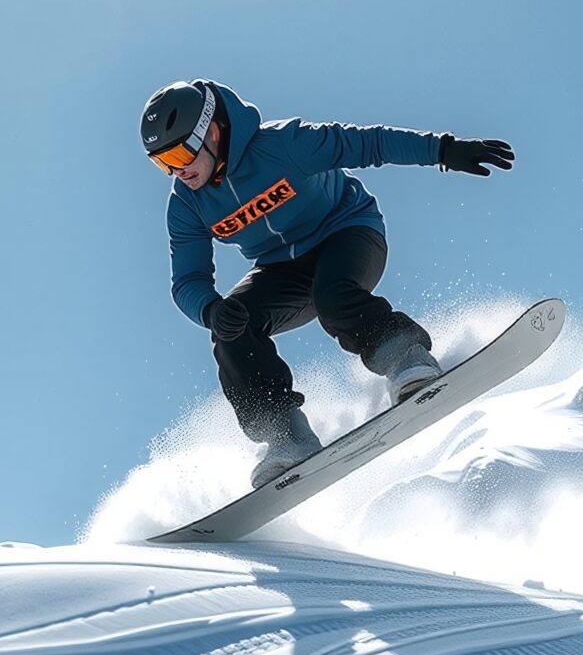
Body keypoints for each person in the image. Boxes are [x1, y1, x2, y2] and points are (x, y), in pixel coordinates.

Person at [140, 79, 516, 488]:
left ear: (211, 131)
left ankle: (408, 361)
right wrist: (210, 308)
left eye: (180, 154)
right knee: (230, 329)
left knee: (333, 294)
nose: (179, 171)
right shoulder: (186, 204)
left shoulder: (283, 145)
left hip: (348, 232)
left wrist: (443, 150)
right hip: (282, 268)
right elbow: (188, 281)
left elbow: (369, 144)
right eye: (163, 163)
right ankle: (287, 437)